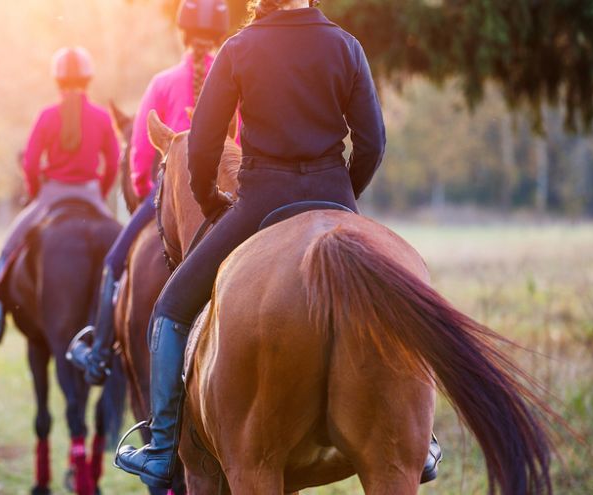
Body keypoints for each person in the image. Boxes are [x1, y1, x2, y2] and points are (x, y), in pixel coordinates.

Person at [114, 0, 442, 488]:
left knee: (168, 311)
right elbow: (371, 142)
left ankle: (162, 448)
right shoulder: (346, 46)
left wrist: (211, 199)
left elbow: (202, 149)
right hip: (334, 197)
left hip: (257, 204)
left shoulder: (239, 48)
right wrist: (341, 197)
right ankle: (423, 440)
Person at [77, 0, 231, 383]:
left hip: (170, 191)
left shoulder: (161, 83)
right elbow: (238, 142)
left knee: (114, 263)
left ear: (183, 34)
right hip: (226, 194)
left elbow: (142, 152)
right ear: (217, 37)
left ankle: (98, 353)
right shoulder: (233, 78)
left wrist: (150, 190)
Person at [0, 46, 120, 343]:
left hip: (50, 195)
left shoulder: (47, 116)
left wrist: (36, 194)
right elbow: (113, 163)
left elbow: (30, 164)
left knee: (6, 252)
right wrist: (101, 193)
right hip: (91, 194)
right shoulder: (101, 117)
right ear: (89, 79)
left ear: (57, 81)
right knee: (124, 251)